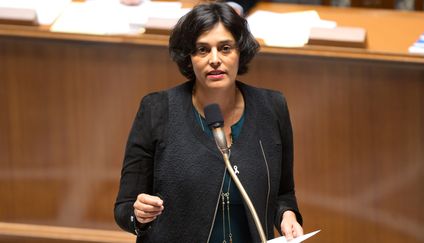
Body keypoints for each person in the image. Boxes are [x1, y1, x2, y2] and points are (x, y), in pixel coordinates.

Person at [114, 2, 303, 242]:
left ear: (240, 52)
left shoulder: (272, 107)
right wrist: (138, 215)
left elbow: (284, 193)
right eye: (202, 50)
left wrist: (287, 215)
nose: (215, 59)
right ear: (189, 57)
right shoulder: (157, 110)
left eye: (225, 48)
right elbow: (124, 208)